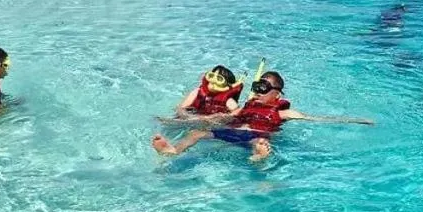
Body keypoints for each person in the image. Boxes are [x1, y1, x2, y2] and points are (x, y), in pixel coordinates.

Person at [151, 70, 373, 162]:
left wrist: (356, 120)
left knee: (261, 142)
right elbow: (222, 119)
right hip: (233, 133)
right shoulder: (245, 107)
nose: (256, 92)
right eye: (255, 88)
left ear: (276, 94)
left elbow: (317, 119)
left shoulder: (284, 112)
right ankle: (174, 150)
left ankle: (259, 160)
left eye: (263, 89)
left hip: (254, 137)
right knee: (196, 133)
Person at [175, 65, 243, 118]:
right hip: (191, 118)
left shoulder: (228, 101)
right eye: (212, 76)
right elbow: (181, 108)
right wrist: (188, 117)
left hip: (210, 125)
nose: (213, 80)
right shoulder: (197, 92)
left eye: (219, 79)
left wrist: (215, 117)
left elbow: (237, 112)